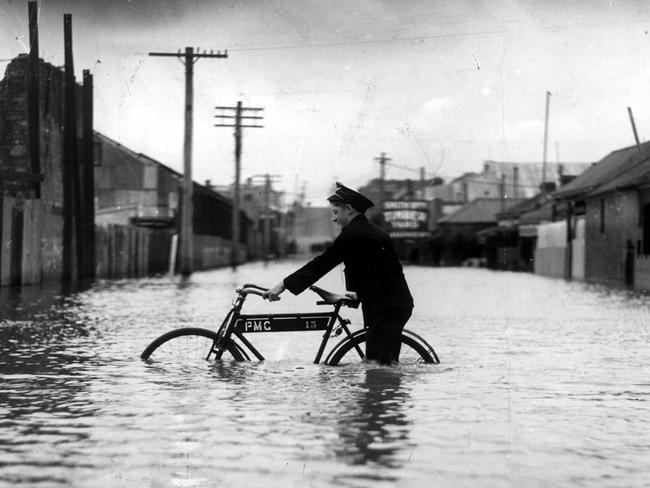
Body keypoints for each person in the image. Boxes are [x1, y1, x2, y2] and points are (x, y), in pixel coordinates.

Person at [264, 182, 413, 364]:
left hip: (386, 307)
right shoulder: (373, 232)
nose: (334, 219)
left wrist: (284, 285)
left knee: (376, 366)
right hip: (390, 304)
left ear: (348, 209)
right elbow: (383, 272)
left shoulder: (353, 234)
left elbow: (322, 263)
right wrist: (360, 293)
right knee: (385, 367)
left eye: (335, 212)